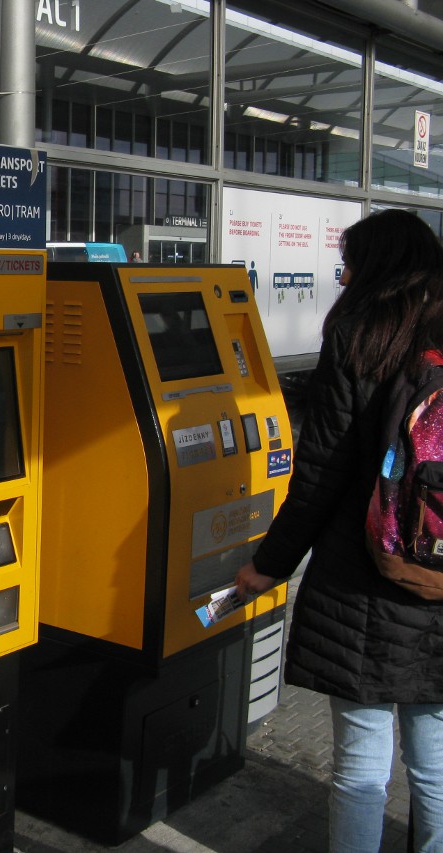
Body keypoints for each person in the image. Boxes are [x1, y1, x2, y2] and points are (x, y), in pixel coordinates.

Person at [233, 208, 443, 852]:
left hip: (365, 572)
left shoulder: (361, 330)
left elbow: (320, 470)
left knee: (360, 766)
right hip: (437, 570)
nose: (342, 274)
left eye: (348, 262)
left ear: (375, 264)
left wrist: (270, 565)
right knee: (435, 763)